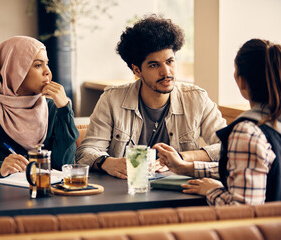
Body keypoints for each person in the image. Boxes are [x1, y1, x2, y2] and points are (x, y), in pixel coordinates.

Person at [76, 15, 226, 179]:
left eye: (170, 61)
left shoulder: (197, 99)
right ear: (137, 70)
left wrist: (181, 158)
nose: (166, 72)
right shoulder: (112, 99)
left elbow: (227, 147)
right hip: (126, 191)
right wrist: (108, 162)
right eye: (154, 65)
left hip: (179, 192)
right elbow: (86, 151)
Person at [155, 39, 281, 205]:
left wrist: (211, 190)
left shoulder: (247, 133)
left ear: (240, 81)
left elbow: (242, 213)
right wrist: (186, 168)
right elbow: (249, 168)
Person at [0, 36, 79, 180]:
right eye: (38, 65)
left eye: (47, 64)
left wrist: (65, 109)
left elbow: (64, 165)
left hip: (44, 197)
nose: (48, 72)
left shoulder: (52, 108)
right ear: (15, 69)